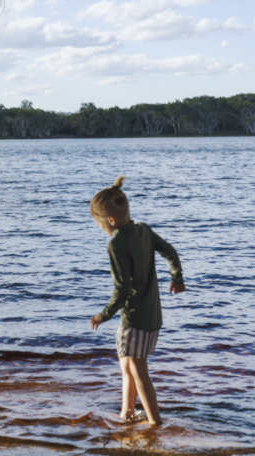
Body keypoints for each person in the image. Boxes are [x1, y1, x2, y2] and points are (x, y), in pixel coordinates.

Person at [89, 176, 185, 426]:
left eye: (99, 224)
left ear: (110, 220)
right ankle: (127, 414)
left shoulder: (116, 243)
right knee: (128, 366)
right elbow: (171, 252)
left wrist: (103, 315)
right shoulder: (143, 229)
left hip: (134, 318)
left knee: (138, 369)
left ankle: (155, 423)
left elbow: (122, 290)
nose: (100, 229)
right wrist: (177, 278)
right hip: (153, 316)